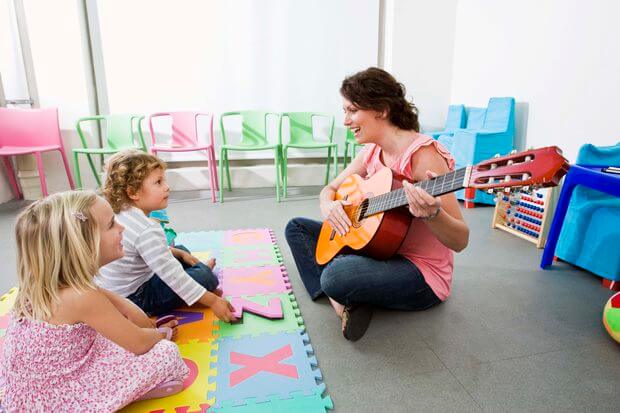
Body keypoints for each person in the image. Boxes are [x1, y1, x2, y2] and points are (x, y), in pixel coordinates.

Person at [285, 67, 469, 341]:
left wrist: (433, 215)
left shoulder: (423, 156)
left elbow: (460, 239)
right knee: (296, 228)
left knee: (335, 276)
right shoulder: (372, 150)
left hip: (420, 273)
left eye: (352, 110)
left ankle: (345, 294)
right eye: (345, 111)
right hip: (380, 251)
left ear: (381, 110)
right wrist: (328, 205)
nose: (346, 121)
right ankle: (345, 304)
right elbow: (331, 188)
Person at [0, 191, 188, 410]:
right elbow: (140, 336)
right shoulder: (82, 297)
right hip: (56, 398)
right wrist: (158, 335)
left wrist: (109, 298)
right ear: (83, 245)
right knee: (166, 353)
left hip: (25, 388)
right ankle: (122, 395)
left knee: (112, 339)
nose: (122, 228)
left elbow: (131, 319)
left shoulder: (40, 286)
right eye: (111, 225)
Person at [97, 150, 235, 321]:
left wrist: (179, 254)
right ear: (133, 192)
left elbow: (145, 251)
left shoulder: (122, 213)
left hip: (120, 291)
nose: (167, 187)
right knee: (207, 278)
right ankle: (201, 273)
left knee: (180, 250)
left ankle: (195, 271)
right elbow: (173, 276)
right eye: (158, 182)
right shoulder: (146, 229)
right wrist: (213, 300)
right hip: (137, 299)